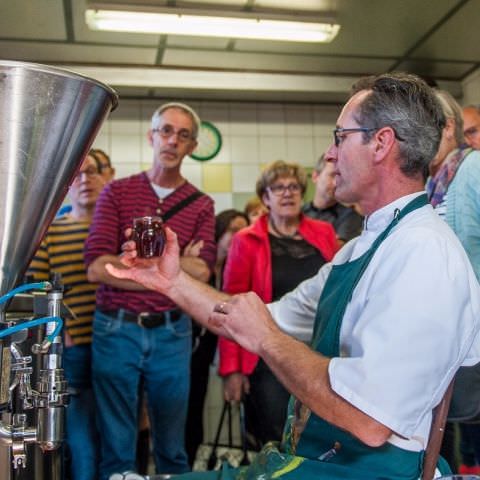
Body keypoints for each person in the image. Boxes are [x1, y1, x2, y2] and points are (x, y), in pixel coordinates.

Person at [106, 73, 480, 480]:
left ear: (381, 143)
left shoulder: (424, 252)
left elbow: (370, 419)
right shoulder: (359, 250)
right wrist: (171, 281)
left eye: (340, 136)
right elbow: (251, 318)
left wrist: (266, 338)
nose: (330, 154)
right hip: (314, 459)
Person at [84, 102, 216, 480]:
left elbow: (202, 269)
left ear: (191, 146)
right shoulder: (117, 193)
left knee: (172, 449)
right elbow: (96, 266)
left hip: (172, 330)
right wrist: (172, 268)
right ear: (151, 136)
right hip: (115, 328)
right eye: (165, 130)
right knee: (117, 449)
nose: (172, 140)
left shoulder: (202, 204)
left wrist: (131, 263)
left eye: (183, 134)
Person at [219, 161, 338, 449]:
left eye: (294, 186)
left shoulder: (323, 232)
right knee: (274, 435)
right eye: (278, 188)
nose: (287, 193)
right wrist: (232, 369)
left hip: (318, 355)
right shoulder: (246, 241)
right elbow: (231, 303)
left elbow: (337, 285)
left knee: (319, 435)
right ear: (265, 197)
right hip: (268, 356)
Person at [28, 151, 106, 480]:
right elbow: (35, 290)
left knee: (118, 435)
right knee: (82, 438)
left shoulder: (115, 233)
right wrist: (58, 333)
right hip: (73, 350)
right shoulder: (51, 231)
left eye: (93, 172)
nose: (85, 181)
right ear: (67, 185)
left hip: (117, 346)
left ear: (108, 176)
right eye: (78, 175)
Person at [186, 209, 249, 467]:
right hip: (188, 349)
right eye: (233, 229)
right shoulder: (204, 268)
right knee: (187, 411)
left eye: (243, 230)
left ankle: (193, 460)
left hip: (209, 351)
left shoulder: (240, 266)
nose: (238, 236)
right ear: (219, 233)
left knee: (197, 408)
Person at [302, 153, 363, 244]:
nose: (336, 183)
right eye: (332, 175)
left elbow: (337, 251)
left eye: (340, 177)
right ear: (315, 176)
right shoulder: (299, 213)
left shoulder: (350, 216)